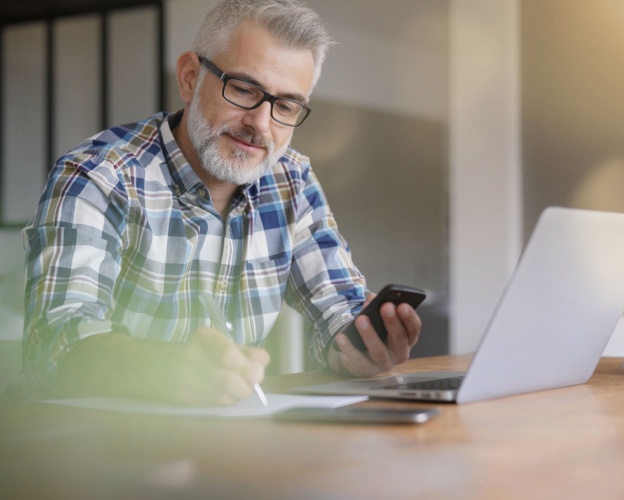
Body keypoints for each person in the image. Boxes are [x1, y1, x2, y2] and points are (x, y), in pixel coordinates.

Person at [19, 0, 422, 406]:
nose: (260, 124)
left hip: (228, 440)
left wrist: (361, 347)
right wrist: (163, 369)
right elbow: (56, 341)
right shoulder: (99, 174)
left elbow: (338, 307)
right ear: (190, 77)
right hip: (87, 448)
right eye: (244, 89)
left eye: (285, 106)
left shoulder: (290, 179)